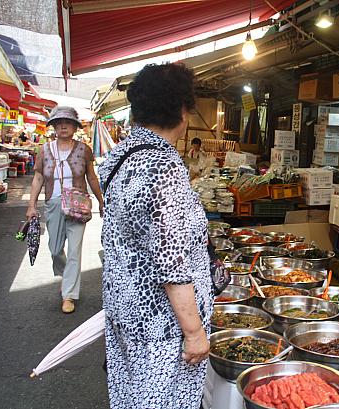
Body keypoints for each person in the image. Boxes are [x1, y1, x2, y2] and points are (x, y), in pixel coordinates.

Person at [99, 63, 212, 409]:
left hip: (125, 308)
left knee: (132, 397)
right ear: (181, 110)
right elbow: (170, 262)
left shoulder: (123, 156)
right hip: (159, 326)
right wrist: (193, 333)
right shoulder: (162, 166)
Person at [26, 106, 103, 314]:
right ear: (53, 127)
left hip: (78, 203)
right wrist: (31, 205)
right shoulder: (44, 150)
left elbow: (92, 177)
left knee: (75, 251)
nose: (63, 126)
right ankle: (65, 276)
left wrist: (101, 201)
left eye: (67, 123)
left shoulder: (84, 149)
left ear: (75, 127)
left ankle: (68, 294)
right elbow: (38, 178)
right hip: (53, 202)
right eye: (59, 123)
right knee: (54, 248)